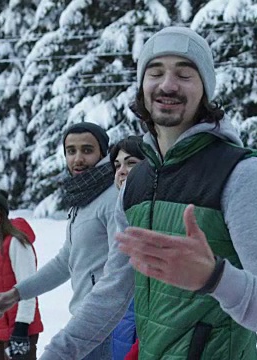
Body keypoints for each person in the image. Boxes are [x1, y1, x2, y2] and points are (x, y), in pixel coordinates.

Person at [113, 26, 257, 359]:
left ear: (205, 90)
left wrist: (215, 278)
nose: (167, 84)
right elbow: (111, 292)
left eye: (185, 74)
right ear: (142, 86)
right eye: (155, 72)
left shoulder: (242, 172)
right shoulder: (137, 179)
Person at [0, 123, 135, 360]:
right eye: (70, 151)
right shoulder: (82, 200)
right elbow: (66, 260)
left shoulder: (112, 197)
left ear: (104, 154)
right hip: (86, 320)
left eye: (87, 150)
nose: (77, 159)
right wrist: (17, 293)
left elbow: (120, 271)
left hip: (107, 323)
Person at [0, 189, 43, 360]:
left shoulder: (16, 242)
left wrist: (21, 329)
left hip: (19, 329)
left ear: (2, 213)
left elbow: (28, 288)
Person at [107, 135, 145, 359]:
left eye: (131, 163)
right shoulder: (120, 213)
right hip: (121, 325)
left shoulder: (158, 216)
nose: (121, 171)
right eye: (117, 165)